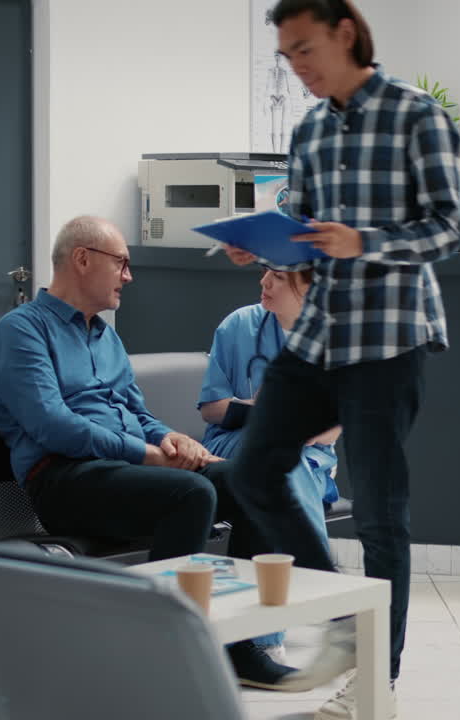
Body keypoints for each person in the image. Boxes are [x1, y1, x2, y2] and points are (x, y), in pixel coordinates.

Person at [220, 0, 460, 717]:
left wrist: (369, 242)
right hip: (321, 334)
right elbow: (299, 224)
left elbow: (447, 229)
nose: (296, 66)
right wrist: (261, 243)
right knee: (254, 468)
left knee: (382, 516)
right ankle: (340, 613)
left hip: (389, 338)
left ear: (346, 33)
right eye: (286, 55)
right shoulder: (310, 129)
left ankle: (374, 681)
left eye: (304, 49)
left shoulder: (416, 115)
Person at [0, 215, 297, 689]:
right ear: (83, 260)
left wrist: (172, 439)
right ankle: (163, 654)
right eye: (122, 263)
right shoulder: (22, 330)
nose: (129, 276)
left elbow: (136, 412)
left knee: (243, 482)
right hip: (64, 478)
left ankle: (240, 647)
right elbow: (51, 424)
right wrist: (146, 454)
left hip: (124, 470)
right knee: (189, 494)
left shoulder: (106, 335)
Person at [197, 267, 342, 662]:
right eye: (264, 272)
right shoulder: (238, 326)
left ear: (307, 285)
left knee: (280, 464)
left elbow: (334, 428)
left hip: (303, 453)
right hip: (233, 442)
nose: (264, 283)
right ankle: (323, 592)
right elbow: (211, 409)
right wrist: (256, 409)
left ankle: (264, 636)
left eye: (277, 277)